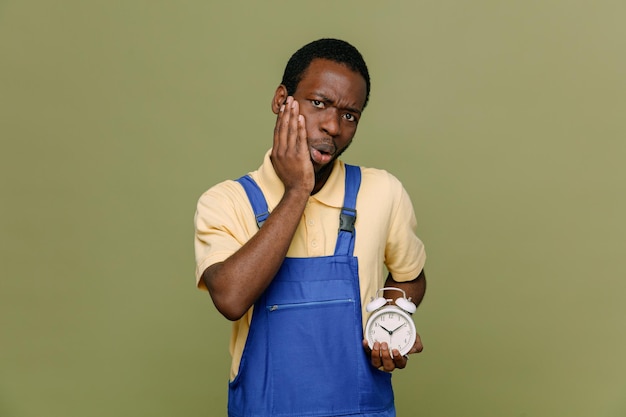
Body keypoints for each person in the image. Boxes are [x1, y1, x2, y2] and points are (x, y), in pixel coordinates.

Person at [194, 38, 427, 417]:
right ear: (281, 100)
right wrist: (297, 190)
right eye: (319, 103)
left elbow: (410, 278)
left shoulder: (383, 191)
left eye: (350, 115)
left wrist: (391, 322)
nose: (333, 126)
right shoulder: (226, 202)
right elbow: (231, 299)